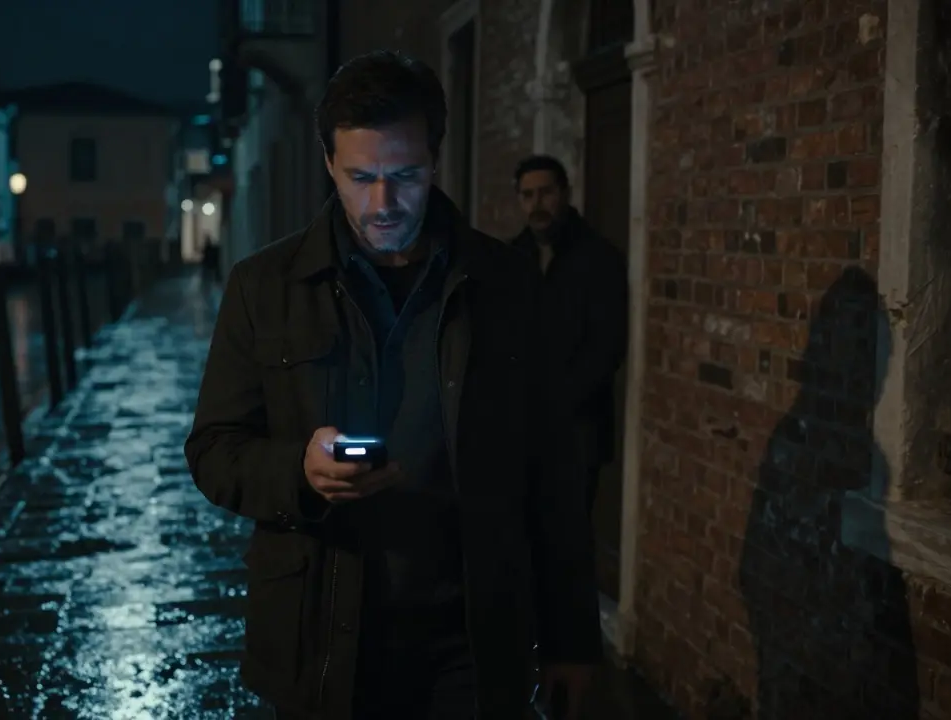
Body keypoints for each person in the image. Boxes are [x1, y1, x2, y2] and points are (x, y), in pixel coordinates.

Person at [184, 51, 601, 719]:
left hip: (469, 638)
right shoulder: (265, 287)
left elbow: (555, 471)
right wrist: (300, 471)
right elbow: (213, 449)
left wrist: (572, 638)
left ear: (436, 160)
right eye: (361, 177)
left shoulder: (509, 286)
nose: (383, 203)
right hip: (318, 635)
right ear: (328, 165)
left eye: (405, 175)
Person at [509, 155, 628, 515]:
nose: (537, 204)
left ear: (564, 194)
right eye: (527, 195)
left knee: (569, 542)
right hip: (521, 429)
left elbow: (606, 348)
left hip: (578, 434)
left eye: (545, 193)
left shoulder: (600, 258)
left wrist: (555, 403)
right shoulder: (512, 258)